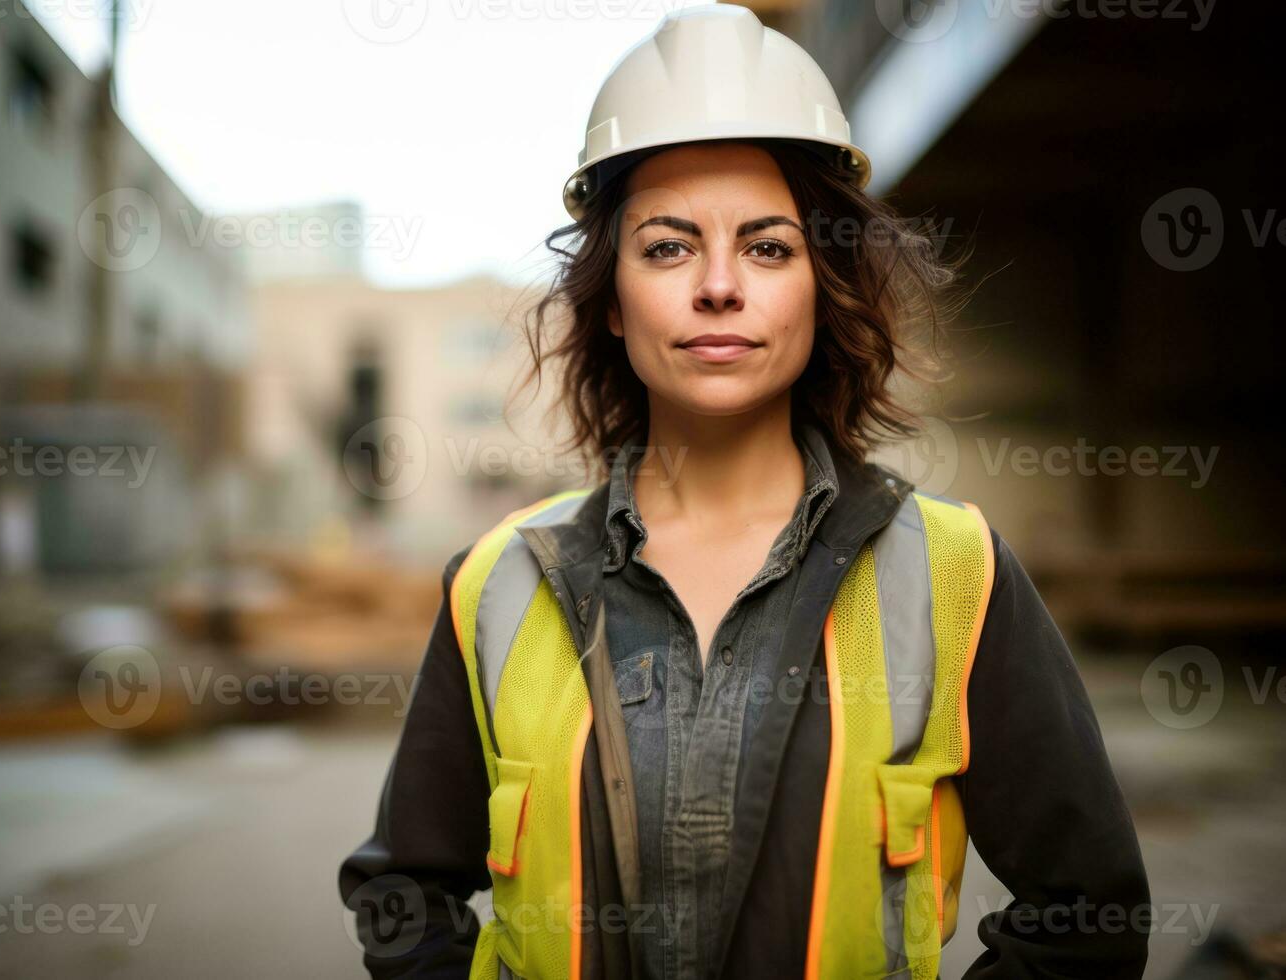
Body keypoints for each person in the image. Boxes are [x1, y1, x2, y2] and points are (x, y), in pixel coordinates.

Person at [339, 6, 1151, 978]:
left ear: (823, 282)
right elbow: (403, 895)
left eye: (767, 246)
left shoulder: (953, 574)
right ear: (608, 300)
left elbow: (1085, 913)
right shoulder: (497, 583)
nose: (718, 285)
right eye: (668, 246)